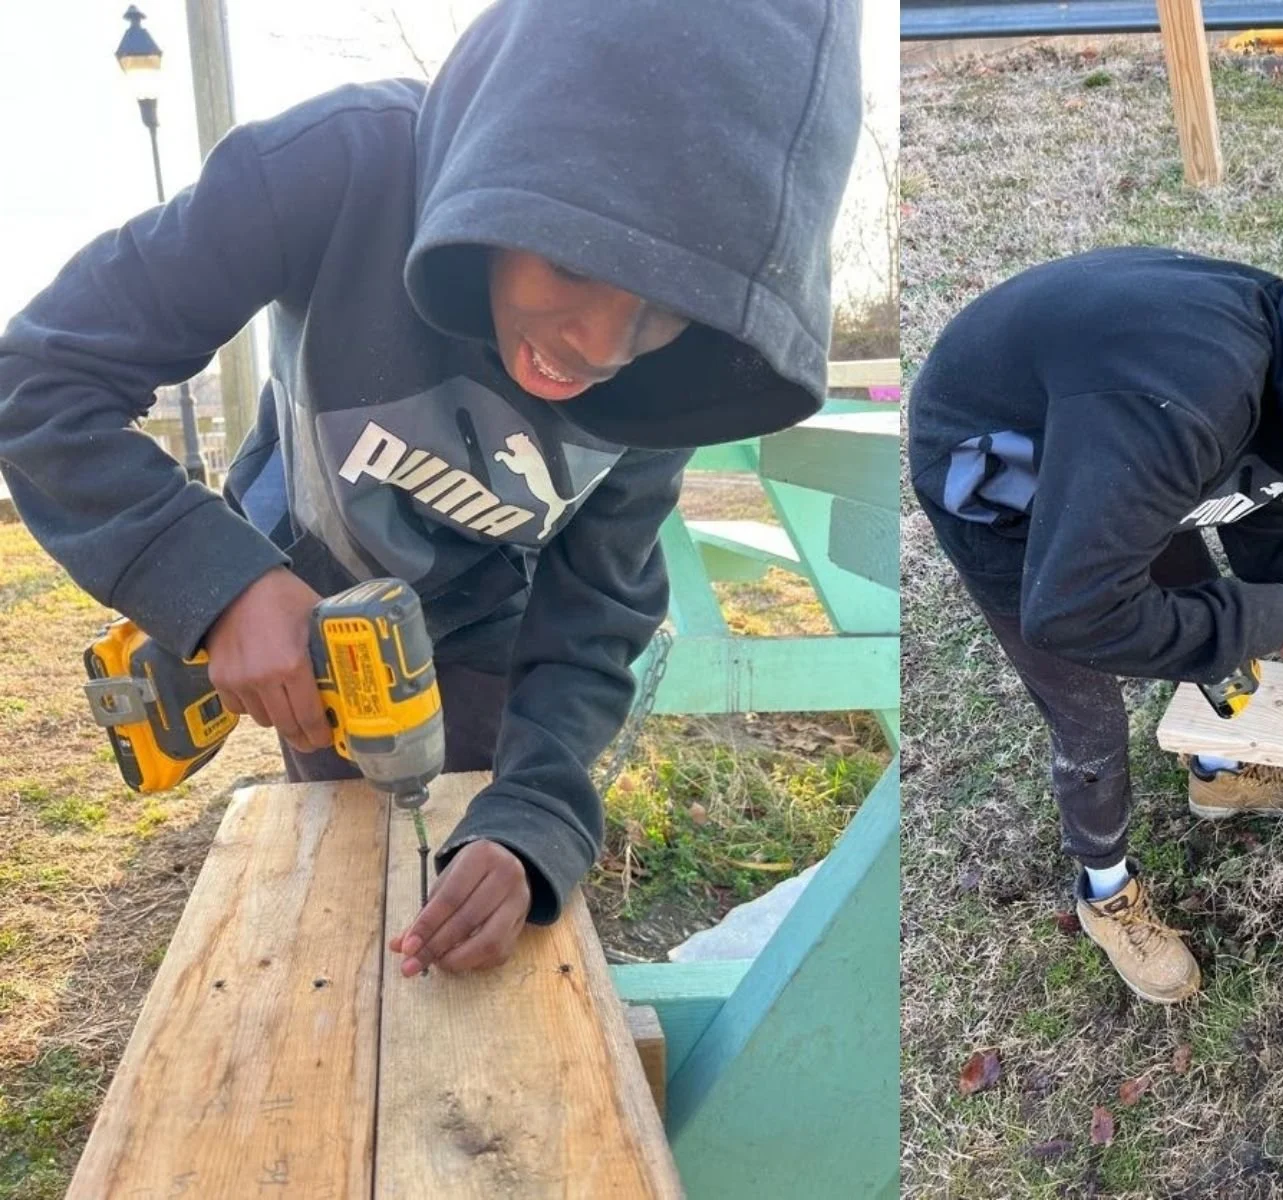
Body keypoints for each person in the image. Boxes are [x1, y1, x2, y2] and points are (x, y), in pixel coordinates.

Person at [0, 0, 858, 979]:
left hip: (493, 635)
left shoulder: (670, 382)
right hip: (308, 594)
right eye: (571, 260)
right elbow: (41, 382)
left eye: (664, 306)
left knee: (472, 915)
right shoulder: (341, 167)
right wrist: (219, 584)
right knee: (345, 901)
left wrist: (532, 818)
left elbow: (595, 616)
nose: (599, 347)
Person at [908, 212, 1283, 1003]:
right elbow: (1074, 613)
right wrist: (1273, 618)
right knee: (1090, 719)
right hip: (1000, 475)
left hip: (1110, 434)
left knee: (1204, 612)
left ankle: (1218, 771)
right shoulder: (1179, 406)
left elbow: (1253, 490)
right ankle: (1105, 889)